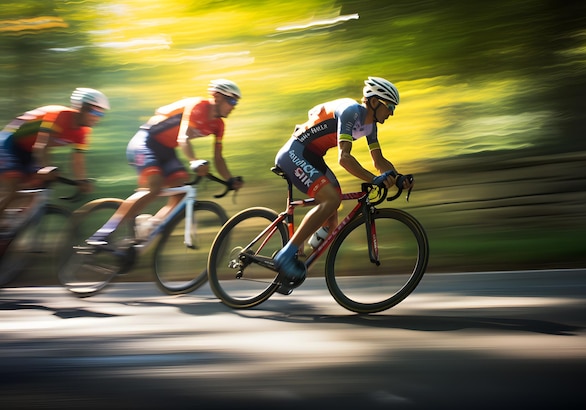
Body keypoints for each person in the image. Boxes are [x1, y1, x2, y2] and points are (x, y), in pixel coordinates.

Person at [273, 76, 414, 289]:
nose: (392, 112)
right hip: (295, 152)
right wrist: (375, 180)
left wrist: (398, 177)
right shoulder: (351, 112)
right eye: (390, 106)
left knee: (332, 219)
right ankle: (286, 254)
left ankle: (294, 269)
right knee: (330, 199)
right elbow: (344, 158)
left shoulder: (371, 126)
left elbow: (379, 161)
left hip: (313, 157)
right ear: (374, 102)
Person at [87, 79, 244, 245]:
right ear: (218, 97)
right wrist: (194, 161)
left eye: (236, 102)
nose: (234, 106)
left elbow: (218, 157)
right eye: (232, 100)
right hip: (146, 142)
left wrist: (229, 179)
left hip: (167, 150)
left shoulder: (218, 125)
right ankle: (104, 233)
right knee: (155, 186)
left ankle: (148, 227)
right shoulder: (199, 105)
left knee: (181, 192)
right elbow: (183, 138)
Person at [0, 88, 110, 218]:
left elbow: (78, 159)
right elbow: (42, 145)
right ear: (81, 107)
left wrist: (82, 181)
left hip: (29, 151)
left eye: (101, 114)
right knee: (14, 188)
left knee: (34, 189)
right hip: (10, 143)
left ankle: (10, 225)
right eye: (94, 112)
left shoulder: (83, 132)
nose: (97, 117)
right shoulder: (60, 115)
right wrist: (45, 167)